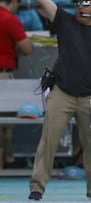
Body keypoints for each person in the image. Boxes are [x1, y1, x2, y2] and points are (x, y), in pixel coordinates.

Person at [28, 0, 91, 200]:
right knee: (48, 141)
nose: (80, 8)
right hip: (62, 92)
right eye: (78, 3)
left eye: (86, 4)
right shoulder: (64, 20)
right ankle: (37, 187)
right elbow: (45, 3)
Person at [0, 0, 33, 169]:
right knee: (5, 120)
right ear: (13, 2)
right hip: (3, 74)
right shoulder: (9, 20)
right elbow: (27, 48)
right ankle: (7, 159)